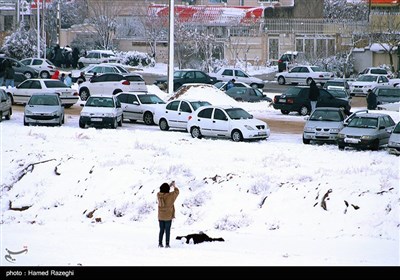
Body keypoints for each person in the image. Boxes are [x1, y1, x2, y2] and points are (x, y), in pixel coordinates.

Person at [157, 181, 179, 248]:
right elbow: (177, 192)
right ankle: (167, 244)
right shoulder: (171, 196)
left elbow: (164, 191)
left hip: (160, 216)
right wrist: (174, 186)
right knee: (167, 231)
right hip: (168, 217)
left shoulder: (158, 195)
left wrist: (169, 186)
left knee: (161, 230)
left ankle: (160, 244)